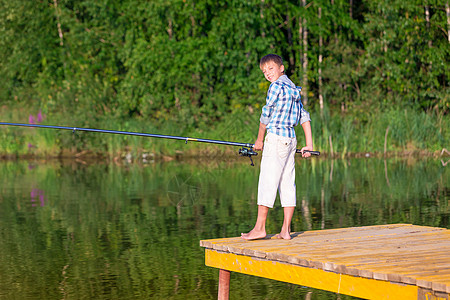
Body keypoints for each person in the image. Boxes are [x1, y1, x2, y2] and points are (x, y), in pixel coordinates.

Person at [241, 54, 313, 240]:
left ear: (281, 68)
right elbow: (304, 117)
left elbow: (266, 114)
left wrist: (259, 140)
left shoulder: (275, 87)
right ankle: (285, 230)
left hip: (276, 139)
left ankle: (260, 228)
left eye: (270, 69)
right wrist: (309, 144)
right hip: (291, 140)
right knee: (288, 184)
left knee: (267, 182)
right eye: (264, 71)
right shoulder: (294, 89)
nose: (267, 74)